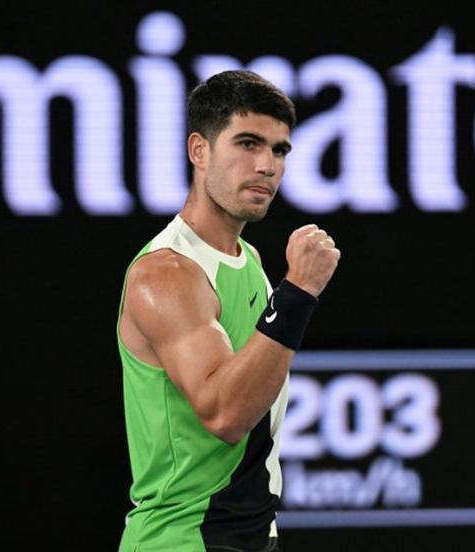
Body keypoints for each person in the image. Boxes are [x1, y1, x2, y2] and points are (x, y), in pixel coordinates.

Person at [117, 70, 340, 552]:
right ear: (199, 150)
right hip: (183, 539)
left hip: (250, 537)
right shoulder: (167, 275)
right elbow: (225, 414)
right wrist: (298, 292)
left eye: (279, 150)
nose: (267, 166)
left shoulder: (250, 261)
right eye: (248, 144)